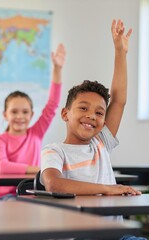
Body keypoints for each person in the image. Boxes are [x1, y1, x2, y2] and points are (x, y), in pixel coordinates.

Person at [40, 19, 141, 196]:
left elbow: (118, 100)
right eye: (83, 108)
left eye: (99, 112)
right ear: (65, 113)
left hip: (110, 223)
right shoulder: (54, 151)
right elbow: (54, 185)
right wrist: (107, 189)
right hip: (80, 223)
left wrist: (120, 52)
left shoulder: (101, 143)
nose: (92, 116)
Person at [0, 44, 65, 201]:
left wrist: (57, 69)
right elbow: (2, 166)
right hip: (7, 196)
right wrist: (39, 170)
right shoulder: (0, 139)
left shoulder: (36, 133)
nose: (20, 116)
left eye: (25, 112)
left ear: (31, 115)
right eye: (14, 112)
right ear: (5, 114)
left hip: (32, 194)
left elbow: (52, 105)